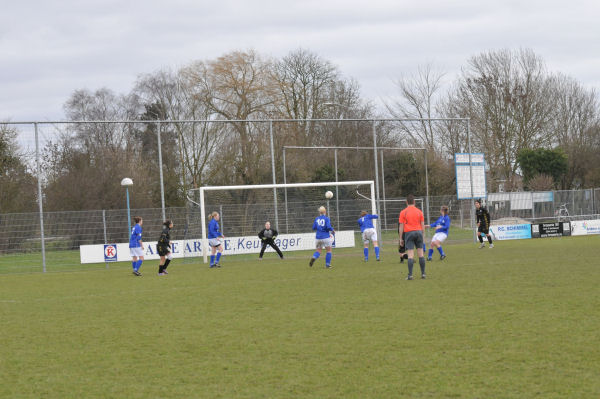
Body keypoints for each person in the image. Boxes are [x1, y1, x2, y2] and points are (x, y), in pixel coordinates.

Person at [398, 195, 426, 280]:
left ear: (406, 202)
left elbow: (401, 227)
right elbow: (422, 225)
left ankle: (410, 275)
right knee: (421, 254)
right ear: (414, 202)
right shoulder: (419, 211)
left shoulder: (403, 212)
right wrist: (423, 235)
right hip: (419, 232)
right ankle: (423, 274)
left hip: (409, 233)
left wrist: (400, 238)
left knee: (410, 254)